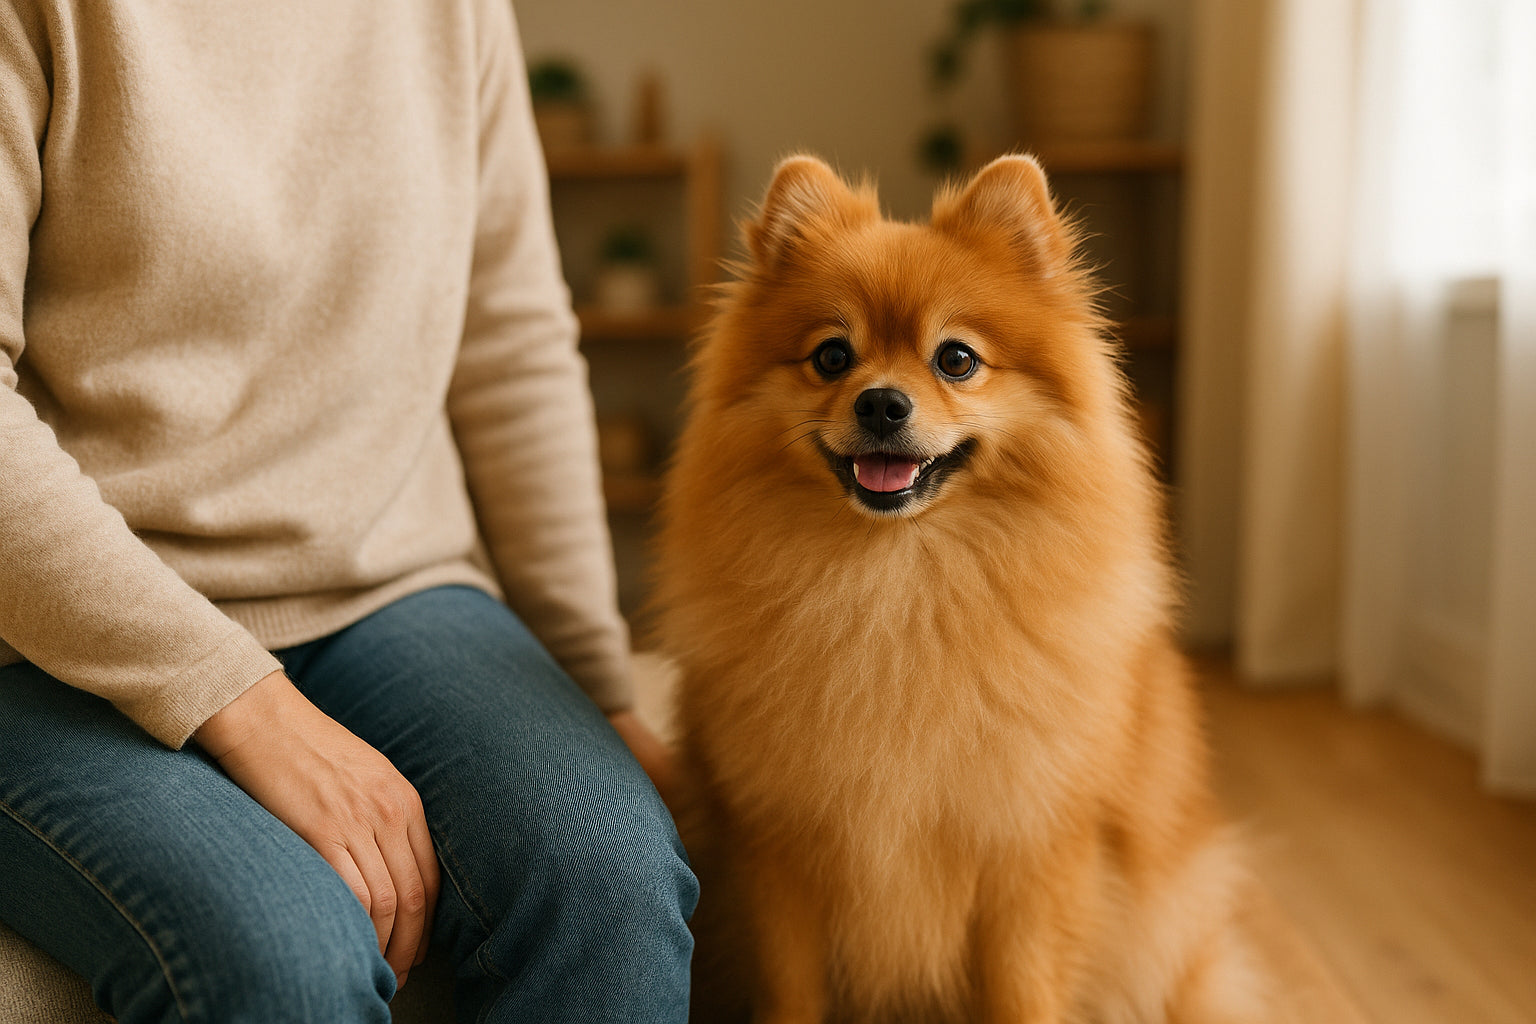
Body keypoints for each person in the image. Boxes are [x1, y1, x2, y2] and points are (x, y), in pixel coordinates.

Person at [0, 0, 697, 1020]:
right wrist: (244, 703)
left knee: (608, 870)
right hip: (49, 639)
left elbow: (509, 341)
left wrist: (597, 683)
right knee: (286, 959)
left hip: (392, 591)